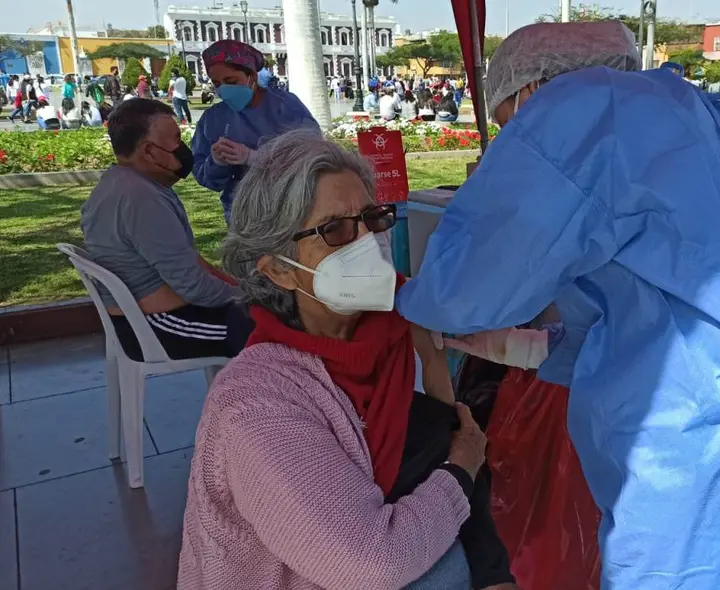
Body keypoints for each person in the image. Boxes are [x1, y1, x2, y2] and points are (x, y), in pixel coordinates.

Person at [396, 20, 720, 589]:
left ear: (531, 90)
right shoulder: (705, 114)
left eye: (510, 127)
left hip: (702, 441)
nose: (514, 144)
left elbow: (468, 286)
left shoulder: (578, 113)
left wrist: (404, 296)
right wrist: (545, 351)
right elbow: (658, 293)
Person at [177, 130, 517, 590]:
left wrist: (494, 574)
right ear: (277, 267)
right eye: (335, 230)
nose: (364, 243)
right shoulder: (255, 405)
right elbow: (367, 564)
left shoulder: (405, 327)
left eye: (371, 220)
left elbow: (454, 434)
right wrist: (461, 470)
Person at [80, 99, 251, 362]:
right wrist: (247, 297)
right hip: (157, 326)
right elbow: (194, 287)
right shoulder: (141, 199)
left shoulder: (119, 183)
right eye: (175, 140)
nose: (182, 149)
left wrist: (238, 287)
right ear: (149, 151)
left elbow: (189, 261)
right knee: (272, 333)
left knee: (271, 317)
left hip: (153, 317)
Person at [191, 39, 320, 222]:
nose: (223, 89)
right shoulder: (213, 119)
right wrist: (218, 162)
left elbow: (312, 154)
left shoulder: (285, 107)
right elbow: (206, 177)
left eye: (230, 81)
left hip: (289, 208)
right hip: (241, 214)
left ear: (251, 75)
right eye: (217, 83)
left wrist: (254, 157)